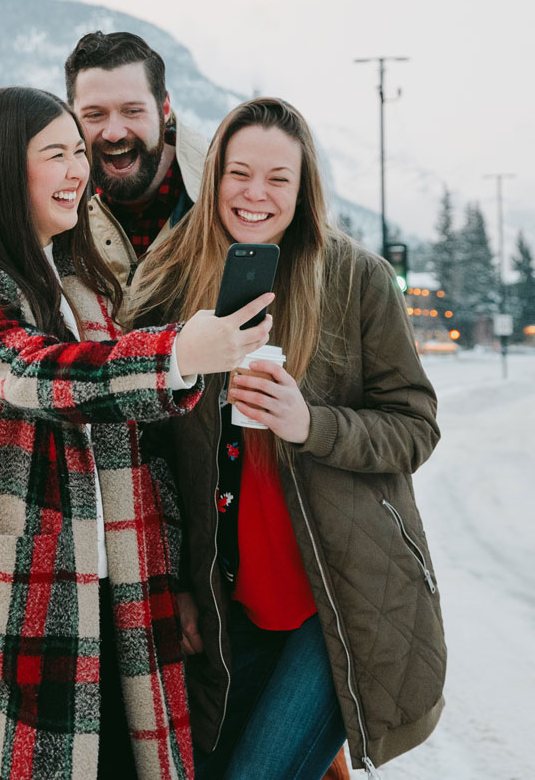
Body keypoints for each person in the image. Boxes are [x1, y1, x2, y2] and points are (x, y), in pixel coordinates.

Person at [0, 86, 274, 780]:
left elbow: (133, 443)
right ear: (5, 169)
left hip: (121, 586)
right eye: (55, 154)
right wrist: (178, 354)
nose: (77, 171)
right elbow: (31, 375)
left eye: (78, 153)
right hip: (18, 591)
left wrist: (175, 578)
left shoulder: (81, 283)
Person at [130, 98, 445, 779]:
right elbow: (143, 446)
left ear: (303, 190)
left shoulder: (353, 276)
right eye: (239, 173)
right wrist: (175, 584)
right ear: (211, 176)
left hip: (340, 597)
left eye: (278, 178)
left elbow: (415, 424)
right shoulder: (170, 277)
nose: (254, 193)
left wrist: (310, 424)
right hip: (228, 602)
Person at [65, 31, 207, 299]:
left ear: (163, 109)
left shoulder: (224, 194)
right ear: (70, 115)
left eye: (132, 111)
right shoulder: (49, 208)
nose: (114, 133)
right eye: (95, 115)